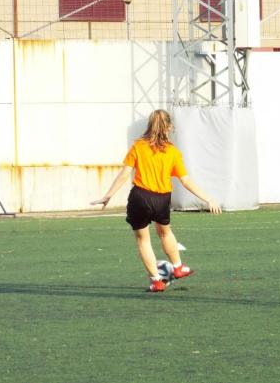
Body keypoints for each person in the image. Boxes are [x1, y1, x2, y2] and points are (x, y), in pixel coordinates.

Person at [91, 109, 221, 292]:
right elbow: (185, 180)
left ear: (149, 126)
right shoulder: (173, 152)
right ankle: (177, 267)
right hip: (162, 199)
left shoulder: (138, 146)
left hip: (140, 197)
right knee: (165, 233)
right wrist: (207, 198)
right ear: (168, 126)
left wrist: (108, 195)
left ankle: (156, 281)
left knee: (143, 240)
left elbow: (125, 174)